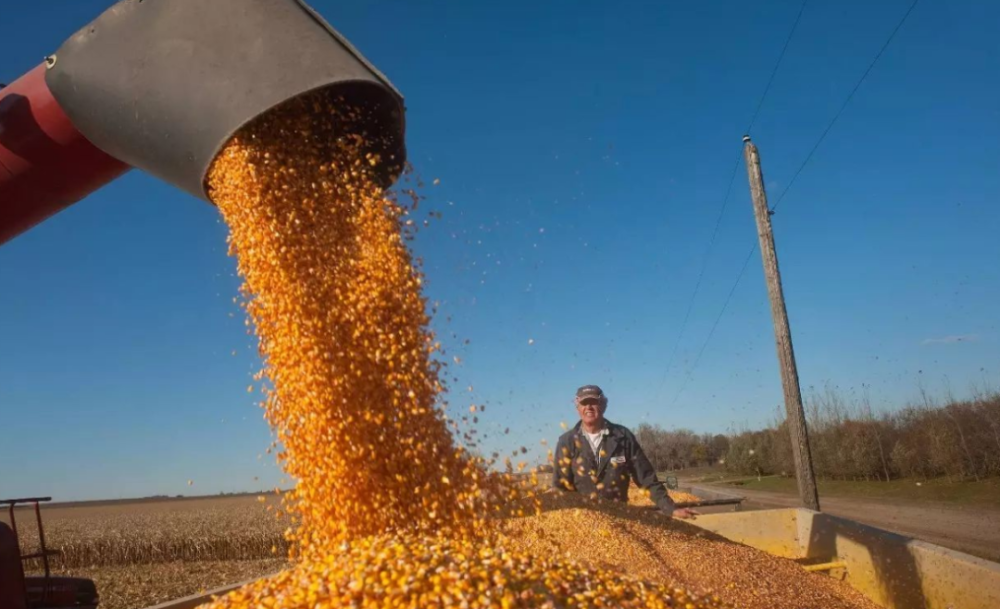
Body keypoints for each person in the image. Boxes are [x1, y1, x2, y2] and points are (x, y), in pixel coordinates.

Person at [552, 384, 699, 519]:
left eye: (594, 402)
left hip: (620, 518)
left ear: (603, 405)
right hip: (583, 522)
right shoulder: (567, 442)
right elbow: (560, 488)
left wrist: (670, 508)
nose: (589, 407)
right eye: (584, 403)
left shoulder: (622, 436)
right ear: (577, 408)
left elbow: (646, 479)